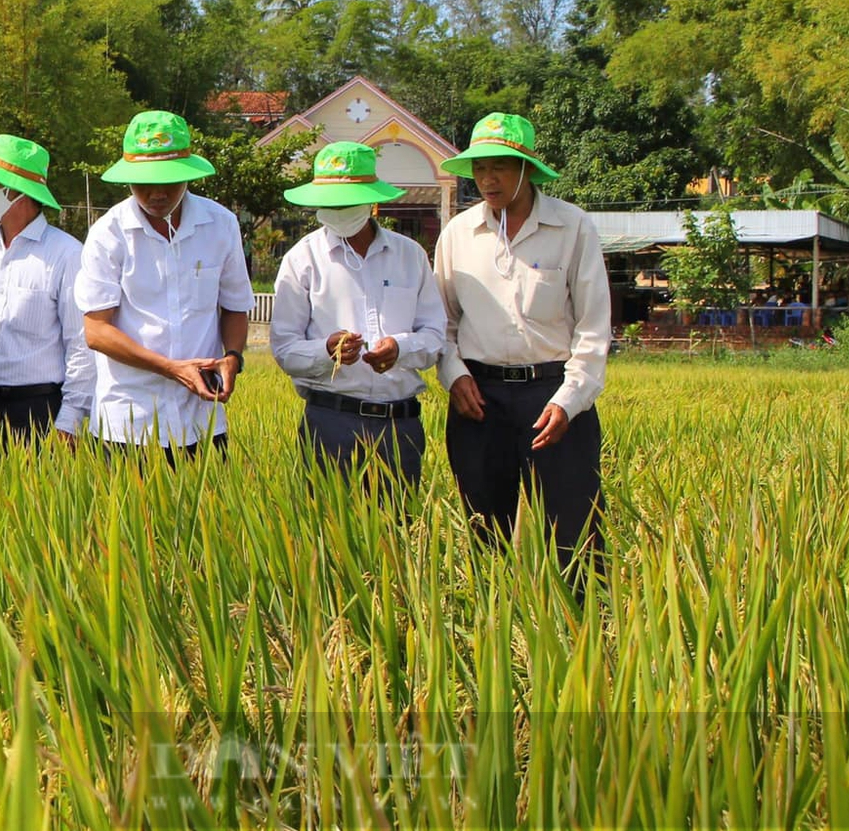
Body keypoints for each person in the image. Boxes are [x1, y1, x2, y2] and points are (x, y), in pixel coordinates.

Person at [434, 112, 610, 575]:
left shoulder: (572, 227)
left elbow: (593, 330)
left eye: (501, 167)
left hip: (552, 397)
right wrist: (454, 377)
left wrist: (570, 402)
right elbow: (442, 323)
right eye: (479, 168)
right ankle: (495, 631)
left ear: (527, 169)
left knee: (576, 534)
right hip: (479, 400)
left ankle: (588, 631)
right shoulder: (458, 234)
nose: (488, 179)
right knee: (486, 532)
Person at [75, 110, 255, 457]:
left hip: (202, 420)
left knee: (208, 512)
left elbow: (235, 306)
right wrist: (172, 370)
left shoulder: (220, 225)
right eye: (144, 181)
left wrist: (233, 357)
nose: (157, 193)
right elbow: (97, 331)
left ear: (187, 176)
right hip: (128, 422)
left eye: (168, 180)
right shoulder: (108, 234)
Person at [270, 141, 446, 486]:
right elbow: (285, 349)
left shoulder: (409, 256)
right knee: (326, 531)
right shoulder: (302, 259)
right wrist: (326, 351)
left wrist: (400, 348)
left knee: (397, 530)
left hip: (400, 425)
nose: (338, 210)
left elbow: (435, 335)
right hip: (331, 420)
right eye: (330, 202)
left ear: (371, 200)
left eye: (347, 202)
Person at [0, 134, 93, 443]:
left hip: (37, 410)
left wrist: (69, 420)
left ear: (15, 191)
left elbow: (81, 344)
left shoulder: (66, 255)